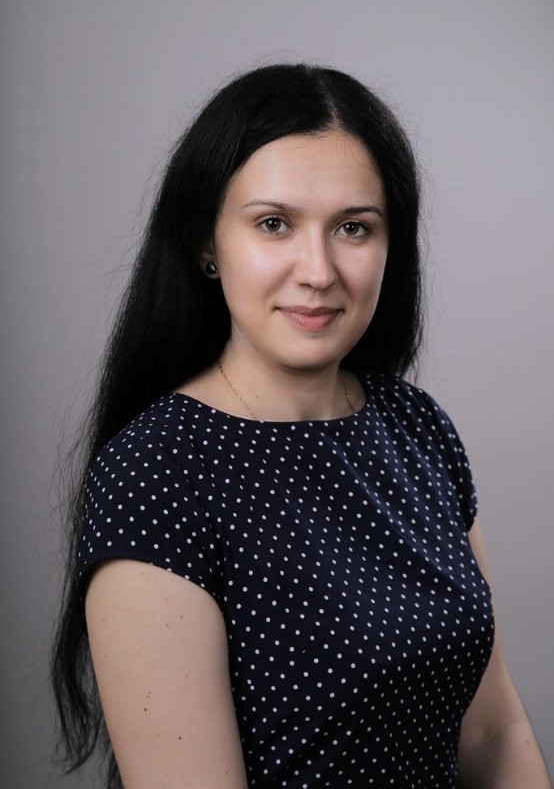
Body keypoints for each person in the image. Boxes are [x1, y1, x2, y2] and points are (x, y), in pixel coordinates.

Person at [51, 63, 551, 789]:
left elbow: (494, 730)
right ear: (207, 244)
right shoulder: (156, 475)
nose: (318, 270)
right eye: (274, 224)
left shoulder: (418, 428)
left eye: (353, 227)